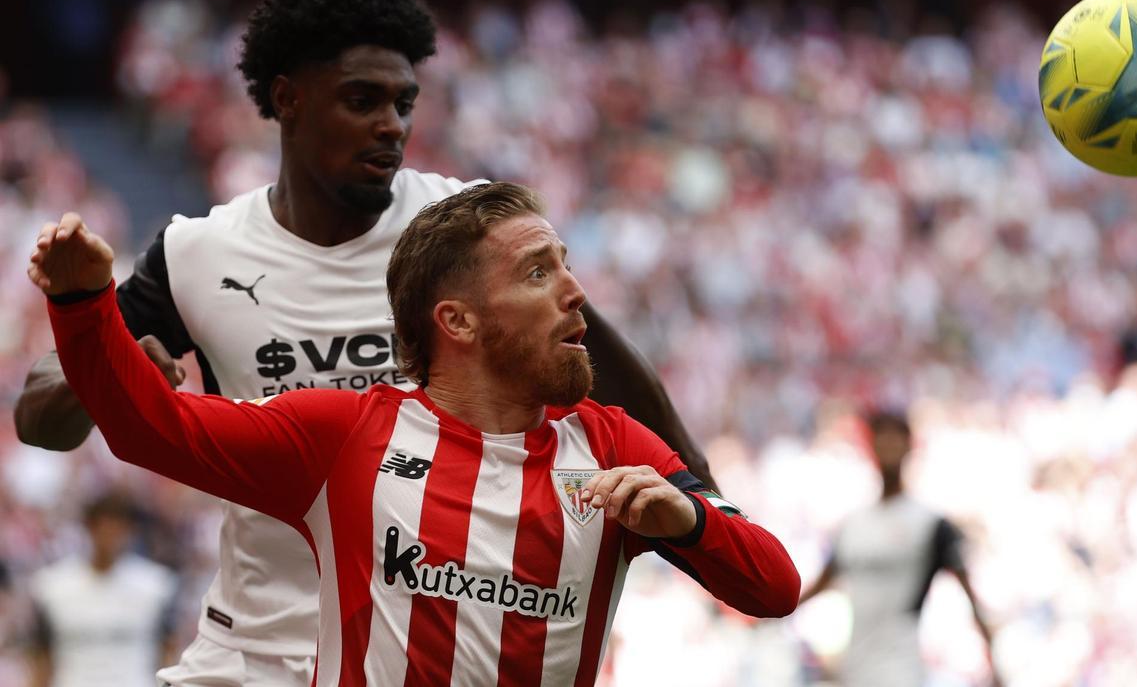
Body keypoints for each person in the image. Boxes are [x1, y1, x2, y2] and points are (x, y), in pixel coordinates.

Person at [13, 0, 714, 687]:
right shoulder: (199, 252)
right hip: (254, 651)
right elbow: (40, 419)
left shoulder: (459, 228)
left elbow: (610, 370)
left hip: (417, 653)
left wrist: (709, 512)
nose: (392, 125)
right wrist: (106, 373)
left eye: (404, 102)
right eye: (362, 100)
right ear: (287, 99)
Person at [29, 182, 800, 686]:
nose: (575, 290)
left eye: (565, 265)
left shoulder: (616, 446)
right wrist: (84, 301)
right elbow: (146, 427)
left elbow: (774, 587)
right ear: (456, 320)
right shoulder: (344, 434)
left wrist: (692, 520)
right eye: (538, 273)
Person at [796, 408, 1000, 687]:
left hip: (901, 669)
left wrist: (994, 663)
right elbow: (820, 584)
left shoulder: (931, 525)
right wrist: (769, 611)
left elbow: (971, 597)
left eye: (895, 438)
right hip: (854, 668)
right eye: (881, 438)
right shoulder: (852, 526)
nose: (888, 446)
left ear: (909, 446)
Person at [28, 492, 178, 687]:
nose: (112, 535)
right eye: (105, 525)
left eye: (120, 527)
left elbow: (167, 653)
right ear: (90, 527)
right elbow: (42, 658)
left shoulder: (156, 586)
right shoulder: (52, 587)